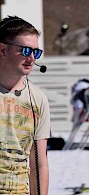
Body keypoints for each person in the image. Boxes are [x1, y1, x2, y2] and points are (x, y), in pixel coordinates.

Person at [0, 15, 51, 194]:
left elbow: (39, 162)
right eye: (24, 50)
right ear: (3, 50)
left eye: (35, 52)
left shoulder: (38, 99)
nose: (31, 58)